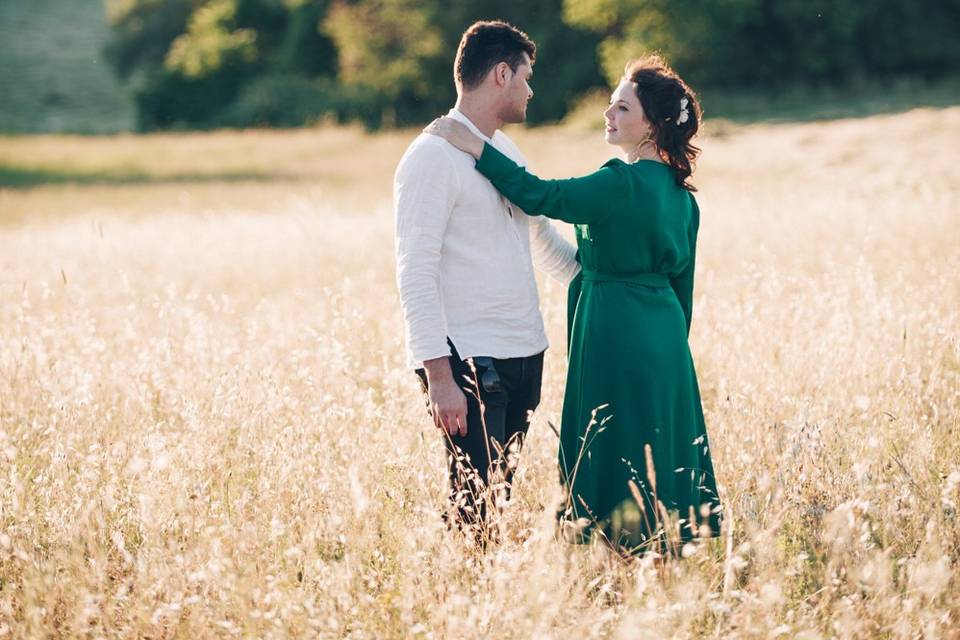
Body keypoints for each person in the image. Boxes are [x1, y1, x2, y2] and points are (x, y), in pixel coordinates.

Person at [425, 55, 722, 554]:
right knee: (658, 437)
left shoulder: (619, 182)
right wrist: (668, 351)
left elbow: (540, 195)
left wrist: (477, 145)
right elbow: (682, 290)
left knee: (610, 437)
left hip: (612, 327)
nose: (608, 114)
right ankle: (661, 546)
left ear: (652, 125)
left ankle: (615, 547)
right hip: (667, 340)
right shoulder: (684, 198)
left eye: (622, 107)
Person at [393, 21, 580, 541]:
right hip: (469, 361)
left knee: (498, 496)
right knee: (473, 508)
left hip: (525, 353)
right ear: (501, 74)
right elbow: (415, 269)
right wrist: (439, 376)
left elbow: (544, 242)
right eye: (525, 77)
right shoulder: (430, 157)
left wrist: (611, 280)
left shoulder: (508, 155)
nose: (530, 89)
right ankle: (468, 607)